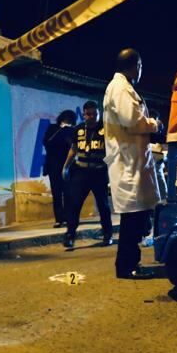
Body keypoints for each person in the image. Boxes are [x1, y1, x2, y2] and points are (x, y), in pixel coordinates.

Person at [103, 48, 161, 279]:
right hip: (127, 163)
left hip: (132, 161)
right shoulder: (120, 88)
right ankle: (126, 267)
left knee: (135, 216)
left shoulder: (121, 87)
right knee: (132, 218)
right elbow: (132, 121)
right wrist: (155, 124)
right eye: (140, 66)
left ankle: (129, 263)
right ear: (135, 65)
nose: (140, 71)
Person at [61, 101, 113, 249]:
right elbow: (74, 149)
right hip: (81, 172)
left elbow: (114, 151)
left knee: (103, 205)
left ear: (99, 114)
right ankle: (70, 236)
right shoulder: (78, 130)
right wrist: (66, 167)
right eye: (88, 114)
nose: (91, 117)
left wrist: (105, 164)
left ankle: (107, 235)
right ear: (83, 114)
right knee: (75, 204)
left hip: (99, 172)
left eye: (95, 114)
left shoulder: (106, 129)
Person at [43, 109, 76, 227]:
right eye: (66, 120)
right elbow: (47, 142)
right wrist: (61, 130)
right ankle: (59, 219)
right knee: (56, 194)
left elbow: (73, 146)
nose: (68, 122)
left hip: (68, 166)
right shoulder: (53, 128)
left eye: (70, 121)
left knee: (68, 193)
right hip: (53, 166)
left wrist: (68, 131)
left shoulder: (72, 131)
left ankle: (68, 218)